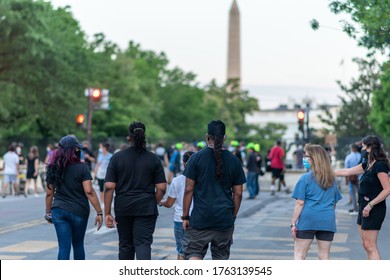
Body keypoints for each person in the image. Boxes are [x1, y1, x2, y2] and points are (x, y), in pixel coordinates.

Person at [182, 120, 246, 260]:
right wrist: (232, 215)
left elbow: (188, 189)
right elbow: (239, 193)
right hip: (224, 220)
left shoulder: (196, 158)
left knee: (193, 253)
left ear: (207, 137)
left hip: (200, 219)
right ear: (224, 137)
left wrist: (185, 216)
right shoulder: (234, 161)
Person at [104, 121, 167, 260]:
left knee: (125, 244)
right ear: (144, 136)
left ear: (129, 138)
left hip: (123, 206)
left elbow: (109, 186)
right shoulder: (153, 159)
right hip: (146, 208)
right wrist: (152, 201)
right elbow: (162, 188)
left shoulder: (117, 158)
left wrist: (107, 213)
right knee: (143, 243)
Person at [45, 135, 103, 260]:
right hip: (79, 211)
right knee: (78, 245)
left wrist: (48, 211)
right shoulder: (82, 167)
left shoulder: (53, 167)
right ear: (75, 150)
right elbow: (89, 191)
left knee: (63, 247)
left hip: (59, 210)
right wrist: (99, 212)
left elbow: (49, 193)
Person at [335, 135, 390, 259]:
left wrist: (371, 204)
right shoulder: (368, 164)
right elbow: (348, 171)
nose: (362, 149)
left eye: (364, 147)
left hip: (373, 209)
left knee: (371, 245)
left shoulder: (380, 165)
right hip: (363, 207)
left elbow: (387, 190)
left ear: (370, 148)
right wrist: (327, 171)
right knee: (365, 245)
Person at [291, 144, 342, 260]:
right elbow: (334, 204)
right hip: (327, 220)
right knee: (324, 256)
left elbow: (299, 203)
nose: (304, 158)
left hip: (307, 220)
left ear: (314, 159)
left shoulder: (305, 178)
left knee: (300, 255)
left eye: (306, 156)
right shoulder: (331, 179)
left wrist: (293, 223)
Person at [160, 151, 195, 260]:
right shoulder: (202, 180)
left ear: (184, 163)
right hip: (197, 219)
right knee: (196, 253)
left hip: (180, 219)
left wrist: (160, 201)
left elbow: (169, 203)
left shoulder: (176, 181)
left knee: (181, 251)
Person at [344, 144, 362, 214]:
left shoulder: (349, 157)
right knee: (361, 193)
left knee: (353, 193)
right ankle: (361, 207)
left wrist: (346, 179)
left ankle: (355, 208)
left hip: (351, 177)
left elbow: (346, 168)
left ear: (352, 149)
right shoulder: (361, 156)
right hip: (360, 177)